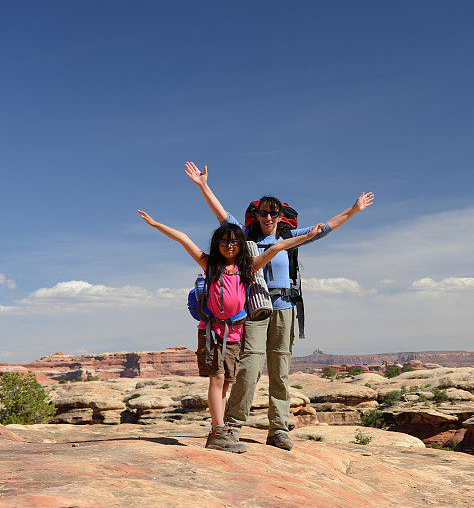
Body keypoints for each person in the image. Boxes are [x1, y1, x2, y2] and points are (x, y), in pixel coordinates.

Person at [184, 161, 374, 451]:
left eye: (274, 213)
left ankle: (278, 429)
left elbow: (326, 228)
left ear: (281, 216)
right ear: (257, 215)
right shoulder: (244, 236)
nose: (269, 217)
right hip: (255, 310)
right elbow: (221, 213)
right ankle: (232, 427)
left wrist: (354, 209)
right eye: (264, 213)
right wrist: (203, 185)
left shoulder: (289, 237)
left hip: (285, 307)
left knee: (280, 368)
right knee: (248, 366)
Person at [137, 209, 324, 452]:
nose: (230, 246)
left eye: (234, 242)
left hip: (235, 335)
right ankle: (217, 432)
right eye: (224, 242)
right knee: (217, 380)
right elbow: (183, 238)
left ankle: (221, 429)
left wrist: (309, 235)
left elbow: (277, 248)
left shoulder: (247, 267)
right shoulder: (209, 264)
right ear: (217, 245)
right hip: (213, 332)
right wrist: (155, 224)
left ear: (241, 245)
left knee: (225, 383)